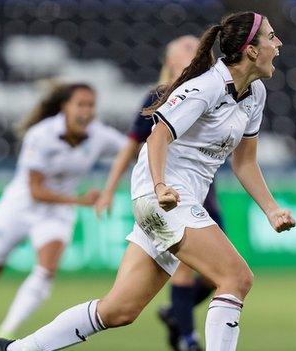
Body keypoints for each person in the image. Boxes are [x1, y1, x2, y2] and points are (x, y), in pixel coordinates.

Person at [0, 11, 295, 351]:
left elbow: (245, 161)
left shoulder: (255, 94)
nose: (278, 43)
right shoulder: (205, 87)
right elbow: (157, 136)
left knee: (119, 310)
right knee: (235, 278)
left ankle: (18, 349)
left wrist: (271, 210)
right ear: (251, 50)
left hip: (174, 201)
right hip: (162, 196)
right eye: (270, 36)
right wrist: (161, 185)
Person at [0, 83, 127, 350]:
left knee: (45, 271)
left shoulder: (100, 136)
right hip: (21, 206)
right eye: (81, 104)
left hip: (57, 213)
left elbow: (132, 147)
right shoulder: (41, 136)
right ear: (65, 107)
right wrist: (80, 200)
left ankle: (6, 331)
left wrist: (111, 185)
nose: (86, 111)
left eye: (91, 105)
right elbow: (37, 191)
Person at [93, 35, 223, 351]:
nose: (197, 50)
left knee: (214, 277)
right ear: (170, 61)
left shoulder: (214, 90)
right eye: (187, 48)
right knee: (187, 271)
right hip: (170, 194)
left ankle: (175, 313)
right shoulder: (159, 95)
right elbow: (133, 144)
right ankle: (187, 340)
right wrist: (109, 189)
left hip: (204, 194)